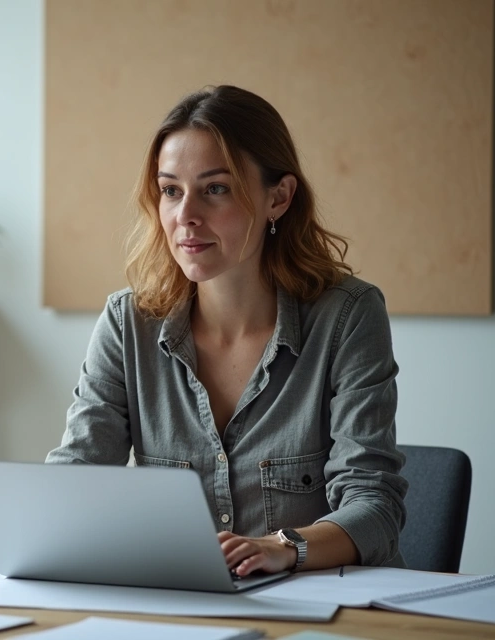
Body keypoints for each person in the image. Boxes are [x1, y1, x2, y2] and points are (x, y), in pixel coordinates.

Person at [47, 85, 407, 577]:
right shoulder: (127, 322)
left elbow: (374, 504)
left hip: (321, 610)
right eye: (171, 190)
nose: (185, 216)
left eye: (215, 189)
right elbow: (77, 481)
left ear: (278, 197)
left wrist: (284, 548)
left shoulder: (348, 317)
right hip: (179, 607)